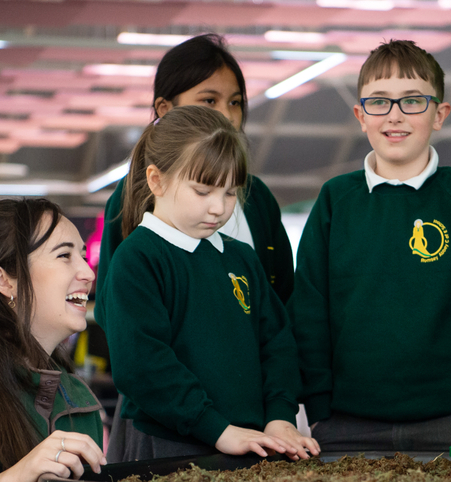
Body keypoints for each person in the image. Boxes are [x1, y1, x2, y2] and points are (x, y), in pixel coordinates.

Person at [287, 40, 451, 452]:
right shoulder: (334, 200)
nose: (395, 116)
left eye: (412, 101)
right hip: (345, 426)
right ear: (361, 116)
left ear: (440, 114)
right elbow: (309, 312)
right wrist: (319, 407)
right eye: (379, 102)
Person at [95, 105, 319, 462]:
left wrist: (279, 416)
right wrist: (216, 428)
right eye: (203, 191)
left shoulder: (241, 257)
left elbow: (276, 343)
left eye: (230, 193)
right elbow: (142, 365)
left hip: (251, 441)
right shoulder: (138, 258)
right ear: (157, 180)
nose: (219, 207)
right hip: (172, 447)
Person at [97, 33, 293, 304]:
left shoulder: (257, 195)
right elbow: (115, 304)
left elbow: (282, 298)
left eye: (235, 102)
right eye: (209, 101)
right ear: (165, 109)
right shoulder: (133, 192)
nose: (226, 114)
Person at [0, 199, 106, 481]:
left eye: (83, 256)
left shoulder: (78, 400)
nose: (88, 273)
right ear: (4, 280)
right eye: (64, 256)